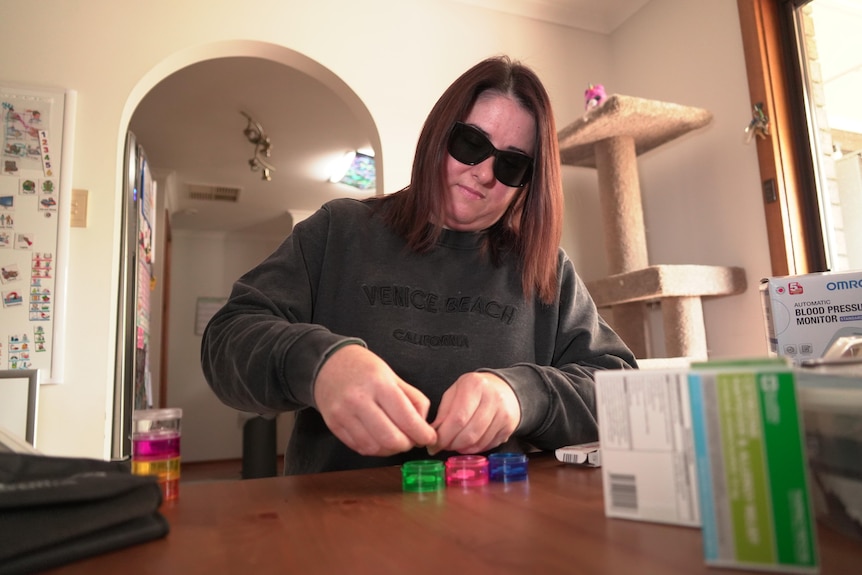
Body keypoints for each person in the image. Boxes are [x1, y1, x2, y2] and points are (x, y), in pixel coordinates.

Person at [201, 55, 637, 475]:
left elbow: (622, 393)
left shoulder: (545, 269)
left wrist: (524, 395)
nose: (484, 173)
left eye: (511, 164)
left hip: (496, 526)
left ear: (527, 182)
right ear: (438, 136)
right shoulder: (339, 230)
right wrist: (320, 365)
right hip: (336, 525)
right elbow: (227, 339)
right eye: (471, 144)